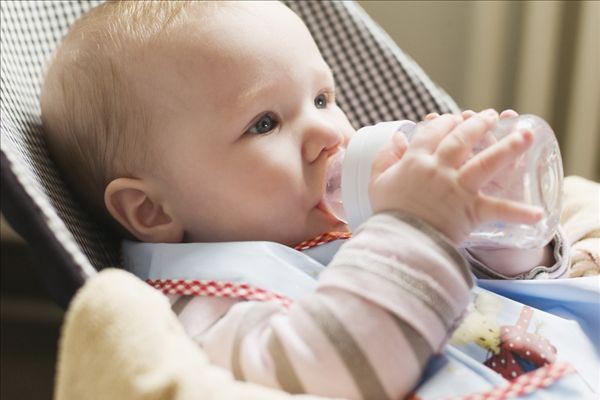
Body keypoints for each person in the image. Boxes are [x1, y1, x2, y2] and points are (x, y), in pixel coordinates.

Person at [41, 1, 593, 399]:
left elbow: (510, 295)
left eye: (323, 98)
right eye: (264, 123)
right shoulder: (207, 301)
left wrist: (494, 225)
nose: (329, 133)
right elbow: (335, 371)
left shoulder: (358, 216)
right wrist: (417, 228)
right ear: (152, 211)